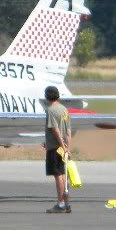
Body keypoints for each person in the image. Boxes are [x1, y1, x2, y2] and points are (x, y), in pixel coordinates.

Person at [43, 85, 72, 213]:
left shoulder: (50, 110)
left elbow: (54, 129)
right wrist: (67, 147)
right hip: (64, 147)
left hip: (55, 148)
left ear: (47, 96)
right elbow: (68, 131)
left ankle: (60, 204)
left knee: (58, 175)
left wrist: (61, 145)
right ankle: (66, 203)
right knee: (64, 175)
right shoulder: (64, 109)